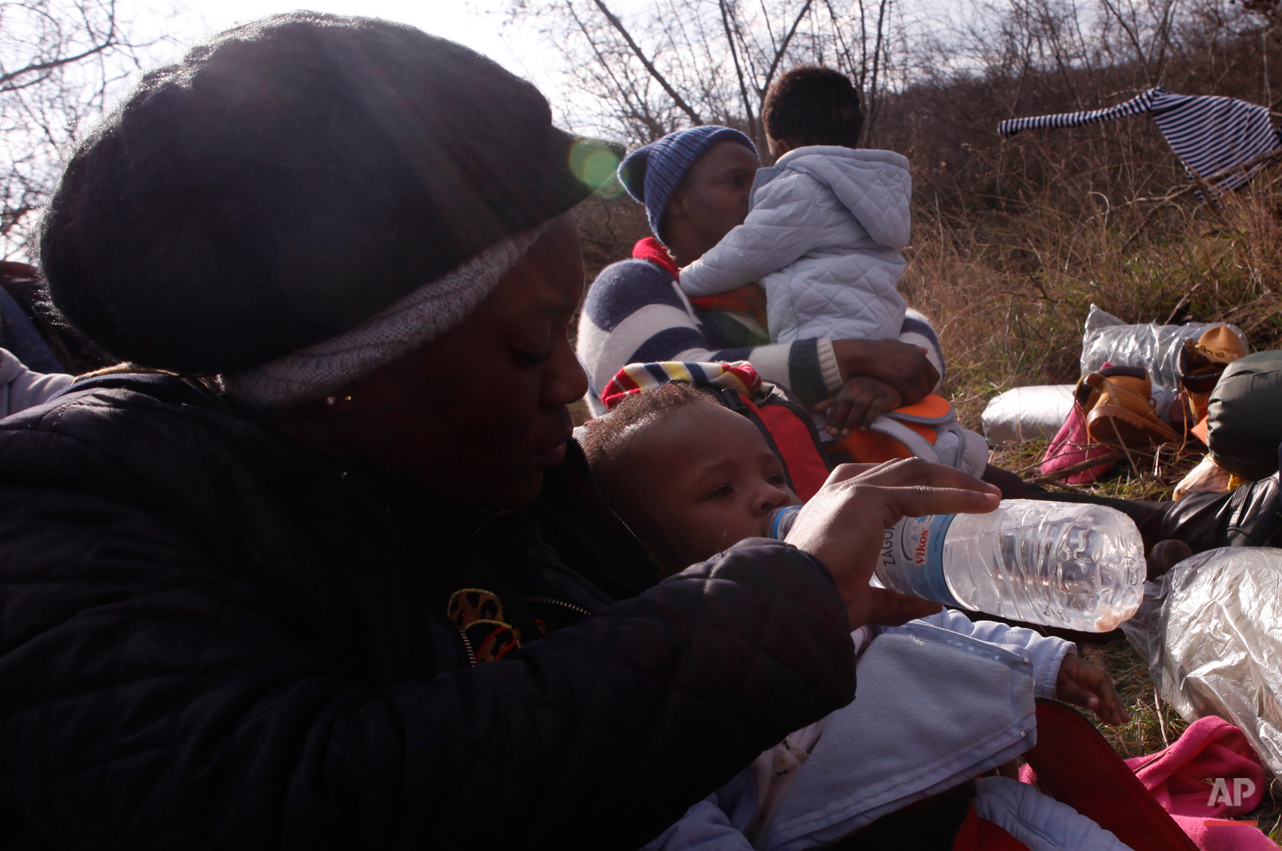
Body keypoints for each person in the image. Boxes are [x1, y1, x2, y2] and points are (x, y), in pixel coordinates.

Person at [0, 13, 1002, 850]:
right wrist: (774, 607)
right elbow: (309, 794)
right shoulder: (80, 513)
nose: (573, 382)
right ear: (341, 377)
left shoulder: (476, 474)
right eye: (528, 351)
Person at [579, 382, 1131, 849]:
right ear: (646, 553)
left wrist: (1045, 663)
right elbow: (675, 819)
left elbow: (935, 630)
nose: (769, 497)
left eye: (773, 476)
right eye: (721, 489)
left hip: (968, 809)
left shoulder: (830, 592)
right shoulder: (674, 680)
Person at [576, 124, 941, 434]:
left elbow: (908, 324)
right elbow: (668, 389)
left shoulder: (776, 271)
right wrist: (849, 360)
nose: (761, 195)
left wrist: (888, 383)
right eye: (736, 181)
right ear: (677, 202)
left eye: (764, 180)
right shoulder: (630, 284)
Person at [677, 66, 913, 436]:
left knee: (822, 432)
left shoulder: (801, 188)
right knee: (887, 433)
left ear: (784, 148)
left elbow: (744, 252)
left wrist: (683, 277)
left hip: (821, 335)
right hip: (878, 329)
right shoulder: (877, 189)